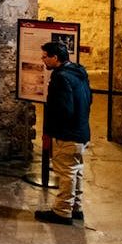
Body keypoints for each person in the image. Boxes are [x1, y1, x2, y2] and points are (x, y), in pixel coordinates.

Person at [35, 41, 92, 225]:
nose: (42, 59)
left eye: (45, 56)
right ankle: (75, 207)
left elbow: (62, 109)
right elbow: (88, 99)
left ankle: (62, 211)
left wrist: (52, 132)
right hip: (81, 131)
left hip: (67, 134)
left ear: (55, 58)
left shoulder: (60, 78)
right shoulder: (78, 71)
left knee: (67, 173)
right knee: (76, 171)